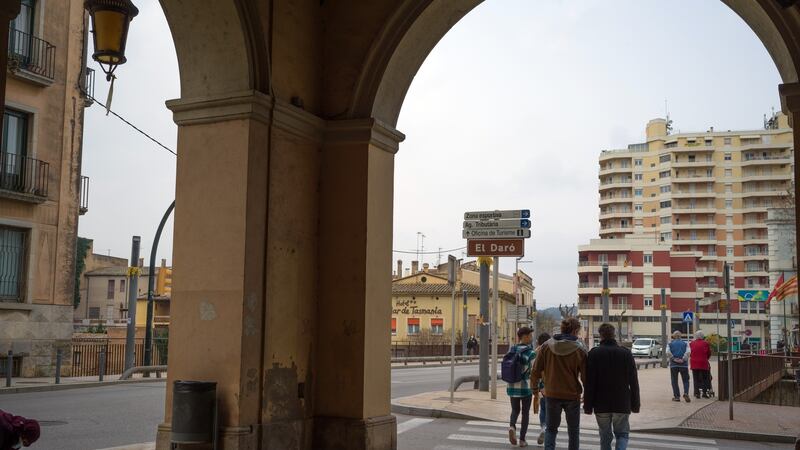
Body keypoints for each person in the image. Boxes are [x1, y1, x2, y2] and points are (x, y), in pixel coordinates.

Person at [532, 317, 587, 450]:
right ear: (575, 331)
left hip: (552, 394)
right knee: (573, 431)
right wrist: (587, 394)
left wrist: (535, 390)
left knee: (551, 429)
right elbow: (586, 377)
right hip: (572, 395)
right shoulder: (580, 350)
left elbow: (535, 371)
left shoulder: (546, 347)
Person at [584, 323, 640, 450]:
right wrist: (635, 404)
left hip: (601, 403)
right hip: (622, 402)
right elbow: (634, 382)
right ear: (614, 334)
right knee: (622, 434)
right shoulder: (626, 354)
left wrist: (588, 406)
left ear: (600, 335)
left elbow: (589, 383)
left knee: (605, 435)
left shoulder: (594, 354)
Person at [507, 326, 536, 447]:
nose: (531, 337)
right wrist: (538, 387)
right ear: (525, 337)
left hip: (512, 386)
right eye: (530, 335)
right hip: (525, 388)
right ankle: (522, 440)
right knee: (525, 413)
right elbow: (535, 372)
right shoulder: (530, 353)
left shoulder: (511, 350)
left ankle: (512, 426)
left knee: (515, 410)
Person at [533, 332, 551, 446]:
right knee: (551, 409)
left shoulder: (535, 352)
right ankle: (548, 430)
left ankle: (543, 427)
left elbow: (534, 371)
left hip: (541, 385)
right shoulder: (552, 350)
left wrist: (536, 388)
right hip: (552, 384)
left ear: (538, 341)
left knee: (543, 409)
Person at [667, 330, 691, 402]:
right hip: (683, 365)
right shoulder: (685, 343)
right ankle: (686, 393)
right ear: (680, 336)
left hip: (674, 365)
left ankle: (677, 397)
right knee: (686, 380)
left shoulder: (670, 343)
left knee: (674, 381)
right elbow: (688, 352)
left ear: (674, 336)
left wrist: (673, 359)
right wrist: (683, 359)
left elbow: (667, 352)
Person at [689, 330, 712, 399]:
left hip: (694, 363)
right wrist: (706, 358)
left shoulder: (691, 343)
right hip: (703, 363)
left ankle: (697, 393)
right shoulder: (706, 343)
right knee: (705, 378)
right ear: (702, 336)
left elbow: (690, 353)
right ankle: (704, 393)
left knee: (695, 379)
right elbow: (709, 353)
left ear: (696, 336)